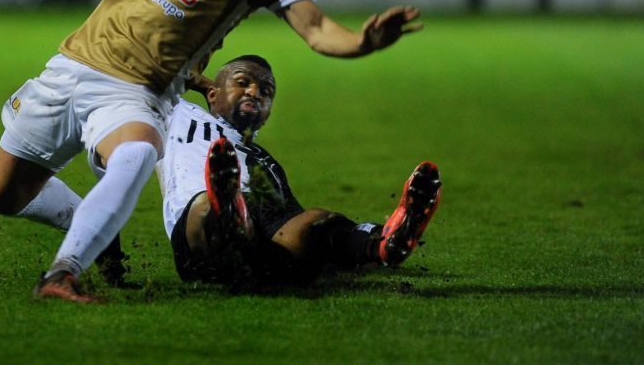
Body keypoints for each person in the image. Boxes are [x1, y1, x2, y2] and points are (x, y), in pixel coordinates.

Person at [0, 0, 423, 303]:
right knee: (3, 195)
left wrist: (363, 41)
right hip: (71, 65)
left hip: (134, 92)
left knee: (135, 155)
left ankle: (63, 273)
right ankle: (93, 227)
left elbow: (316, 30)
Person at [160, 54, 441, 288]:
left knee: (318, 220)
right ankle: (232, 215)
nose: (255, 92)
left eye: (266, 91)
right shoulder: (177, 113)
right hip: (202, 247)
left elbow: (288, 230)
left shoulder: (268, 165)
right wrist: (203, 83)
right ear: (212, 93)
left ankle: (385, 242)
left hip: (264, 259)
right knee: (205, 206)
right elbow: (142, 69)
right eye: (242, 82)